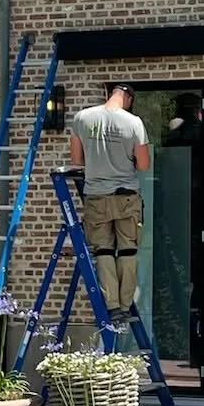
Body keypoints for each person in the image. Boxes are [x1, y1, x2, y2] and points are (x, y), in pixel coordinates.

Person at [68, 80, 150, 316]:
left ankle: (111, 305)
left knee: (103, 250)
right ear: (129, 100)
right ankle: (125, 306)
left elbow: (77, 162)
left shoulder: (82, 118)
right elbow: (144, 165)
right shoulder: (134, 122)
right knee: (127, 250)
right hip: (126, 196)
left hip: (96, 196)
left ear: (108, 93)